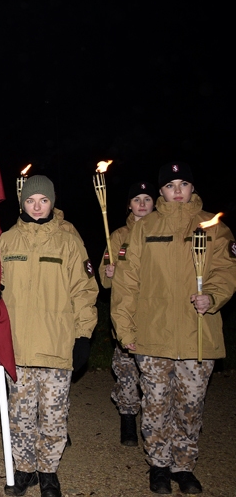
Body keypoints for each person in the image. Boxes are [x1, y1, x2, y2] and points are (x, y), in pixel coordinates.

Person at [111, 162, 236, 495]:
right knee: (155, 404)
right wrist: (125, 330)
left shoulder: (213, 227)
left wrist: (213, 296)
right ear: (161, 191)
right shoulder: (145, 227)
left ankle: (184, 465)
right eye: (169, 186)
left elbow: (225, 273)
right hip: (154, 336)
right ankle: (159, 465)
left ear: (192, 188)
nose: (177, 190)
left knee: (190, 406)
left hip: (198, 336)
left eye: (183, 184)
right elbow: (126, 282)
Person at [0, 175, 98, 497]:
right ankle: (25, 469)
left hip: (56, 344)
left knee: (53, 415)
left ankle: (48, 472)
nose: (37, 207)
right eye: (31, 201)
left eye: (43, 201)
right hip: (17, 346)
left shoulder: (68, 242)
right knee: (20, 415)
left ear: (52, 202)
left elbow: (85, 291)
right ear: (23, 203)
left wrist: (83, 335)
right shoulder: (6, 241)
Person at [98, 181, 157, 447]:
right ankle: (128, 419)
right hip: (126, 316)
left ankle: (154, 426)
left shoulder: (161, 233)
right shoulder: (118, 235)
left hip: (156, 317)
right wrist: (108, 273)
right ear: (129, 205)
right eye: (137, 199)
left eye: (147, 198)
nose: (142, 204)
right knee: (127, 372)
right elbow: (104, 278)